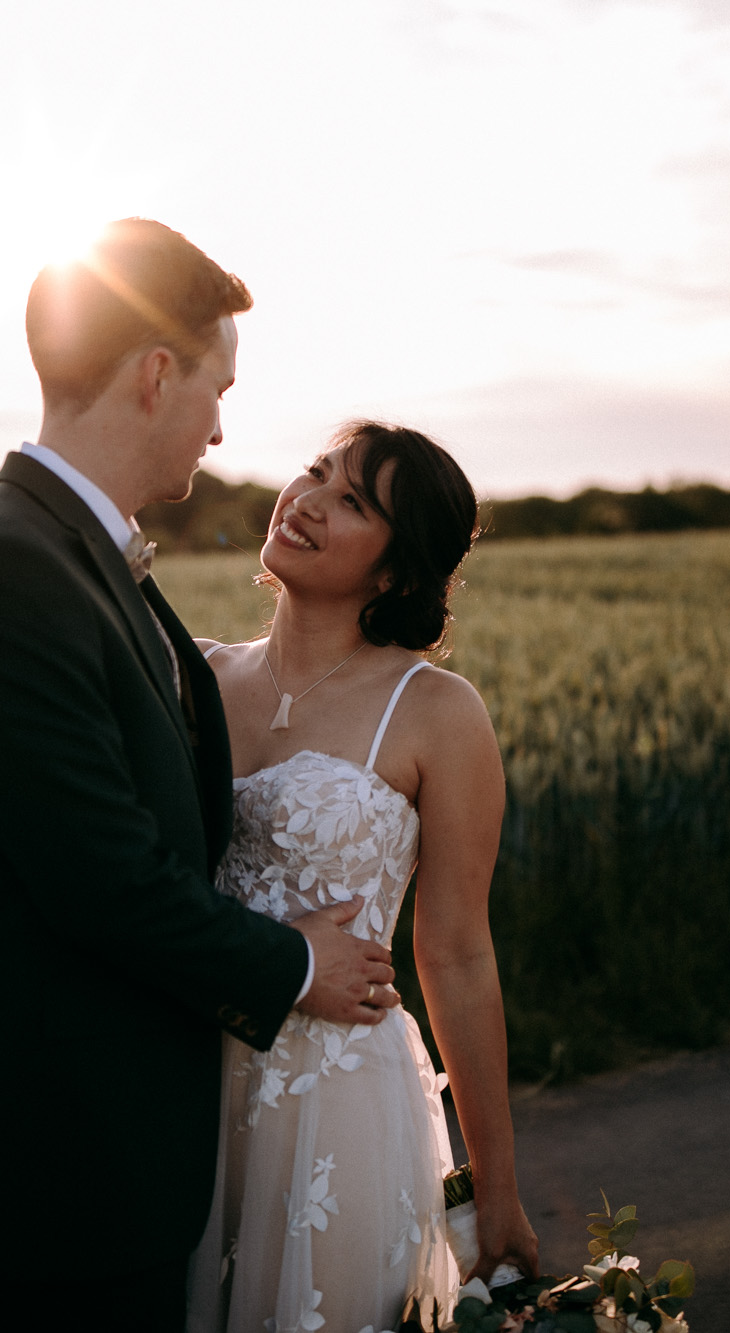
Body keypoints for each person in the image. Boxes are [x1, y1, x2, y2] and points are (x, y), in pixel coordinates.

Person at [0, 220, 403, 1332]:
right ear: (158, 375)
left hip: (99, 1159)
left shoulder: (73, 557)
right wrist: (297, 960)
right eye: (219, 387)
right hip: (41, 1173)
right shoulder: (4, 569)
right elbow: (102, 880)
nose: (221, 427)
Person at [184, 421, 541, 1333]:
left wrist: (495, 1186)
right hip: (182, 1078)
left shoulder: (436, 712)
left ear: (396, 572)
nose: (307, 501)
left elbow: (457, 954)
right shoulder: (193, 676)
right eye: (315, 472)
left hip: (335, 1102)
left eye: (350, 502)